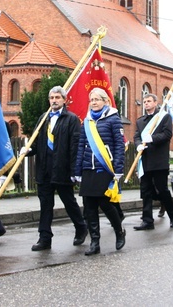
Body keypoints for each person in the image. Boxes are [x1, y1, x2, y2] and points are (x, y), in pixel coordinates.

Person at [24, 86, 87, 251]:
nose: (54, 100)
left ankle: (81, 228)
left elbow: (74, 147)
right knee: (45, 205)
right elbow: (37, 143)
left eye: (58, 97)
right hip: (44, 170)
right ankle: (44, 238)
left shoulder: (72, 119)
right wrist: (29, 151)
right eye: (51, 98)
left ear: (64, 100)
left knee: (68, 202)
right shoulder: (43, 119)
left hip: (62, 169)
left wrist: (75, 171)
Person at [74, 87, 126, 255]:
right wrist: (78, 170)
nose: (94, 103)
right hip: (89, 168)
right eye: (92, 100)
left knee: (105, 203)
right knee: (89, 206)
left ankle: (119, 231)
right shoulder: (87, 120)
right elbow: (81, 145)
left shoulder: (113, 119)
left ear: (105, 101)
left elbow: (119, 145)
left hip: (105, 166)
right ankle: (95, 242)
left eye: (97, 99)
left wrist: (118, 168)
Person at [133, 93, 173, 230]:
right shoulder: (140, 121)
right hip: (145, 160)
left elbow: (167, 134)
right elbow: (136, 136)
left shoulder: (164, 117)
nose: (146, 103)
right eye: (144, 101)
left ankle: (172, 215)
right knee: (145, 191)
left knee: (162, 189)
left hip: (159, 161)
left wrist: (152, 138)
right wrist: (138, 144)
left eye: (149, 101)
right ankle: (147, 221)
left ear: (155, 102)